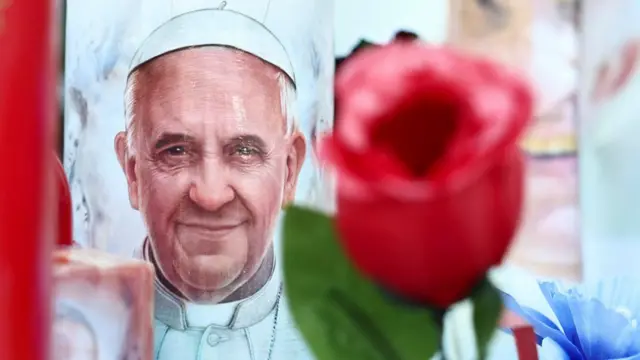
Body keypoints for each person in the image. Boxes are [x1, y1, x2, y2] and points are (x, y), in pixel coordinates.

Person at [114, 8, 312, 360]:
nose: (209, 195)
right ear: (132, 173)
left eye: (245, 151)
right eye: (175, 151)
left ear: (289, 171)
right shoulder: (68, 327)